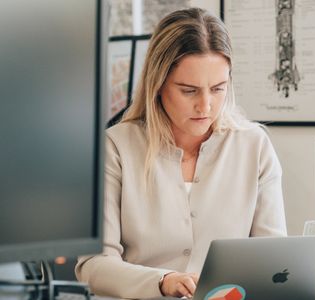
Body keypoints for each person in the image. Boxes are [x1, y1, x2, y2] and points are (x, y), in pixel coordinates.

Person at [75, 7, 287, 299]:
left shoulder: (255, 146)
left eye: (218, 88)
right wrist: (162, 281)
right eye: (189, 91)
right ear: (158, 84)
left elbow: (274, 264)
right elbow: (92, 265)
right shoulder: (115, 147)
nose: (206, 106)